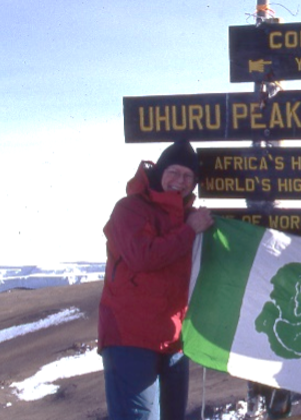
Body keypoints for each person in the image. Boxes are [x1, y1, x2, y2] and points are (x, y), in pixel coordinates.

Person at [99, 139, 214, 420]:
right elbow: (143, 257)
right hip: (130, 338)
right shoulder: (130, 209)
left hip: (173, 341)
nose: (180, 181)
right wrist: (189, 231)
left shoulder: (189, 217)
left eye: (188, 176)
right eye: (174, 172)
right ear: (159, 171)